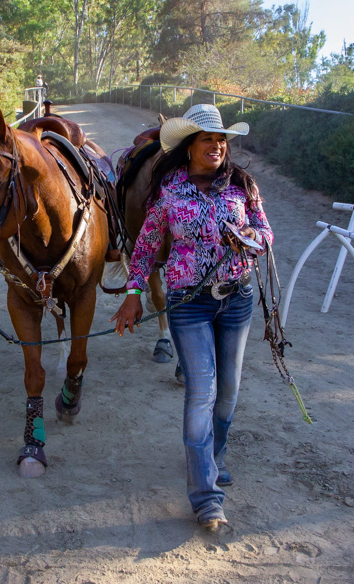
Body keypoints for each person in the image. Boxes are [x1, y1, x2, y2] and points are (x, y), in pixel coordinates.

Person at [110, 103, 273, 530]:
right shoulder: (169, 191)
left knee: (228, 393)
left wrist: (252, 237)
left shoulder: (244, 185)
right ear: (189, 146)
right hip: (188, 304)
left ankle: (213, 460)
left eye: (222, 139)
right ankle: (206, 497)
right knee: (200, 392)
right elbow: (144, 249)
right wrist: (132, 293)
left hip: (237, 299)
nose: (218, 145)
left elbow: (266, 232)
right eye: (208, 139)